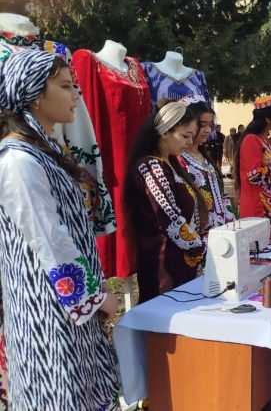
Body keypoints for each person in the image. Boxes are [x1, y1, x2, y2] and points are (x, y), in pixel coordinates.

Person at [0, 49, 120, 410]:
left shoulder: (44, 150)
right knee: (57, 394)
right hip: (46, 314)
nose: (76, 95)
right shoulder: (18, 161)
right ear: (35, 94)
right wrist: (96, 299)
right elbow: (50, 240)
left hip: (68, 309)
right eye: (66, 86)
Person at [122, 99, 208, 303]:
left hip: (180, 263)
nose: (189, 141)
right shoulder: (152, 167)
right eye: (185, 136)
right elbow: (172, 221)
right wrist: (204, 247)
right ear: (165, 132)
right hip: (164, 268)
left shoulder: (169, 165)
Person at [180, 98, 236, 229]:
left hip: (222, 230)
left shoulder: (204, 157)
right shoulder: (180, 160)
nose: (208, 130)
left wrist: (230, 221)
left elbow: (222, 194)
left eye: (210, 125)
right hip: (199, 233)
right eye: (203, 125)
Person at [234, 95, 271, 222]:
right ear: (268, 119)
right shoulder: (251, 140)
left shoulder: (264, 141)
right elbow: (255, 176)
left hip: (267, 207)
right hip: (257, 208)